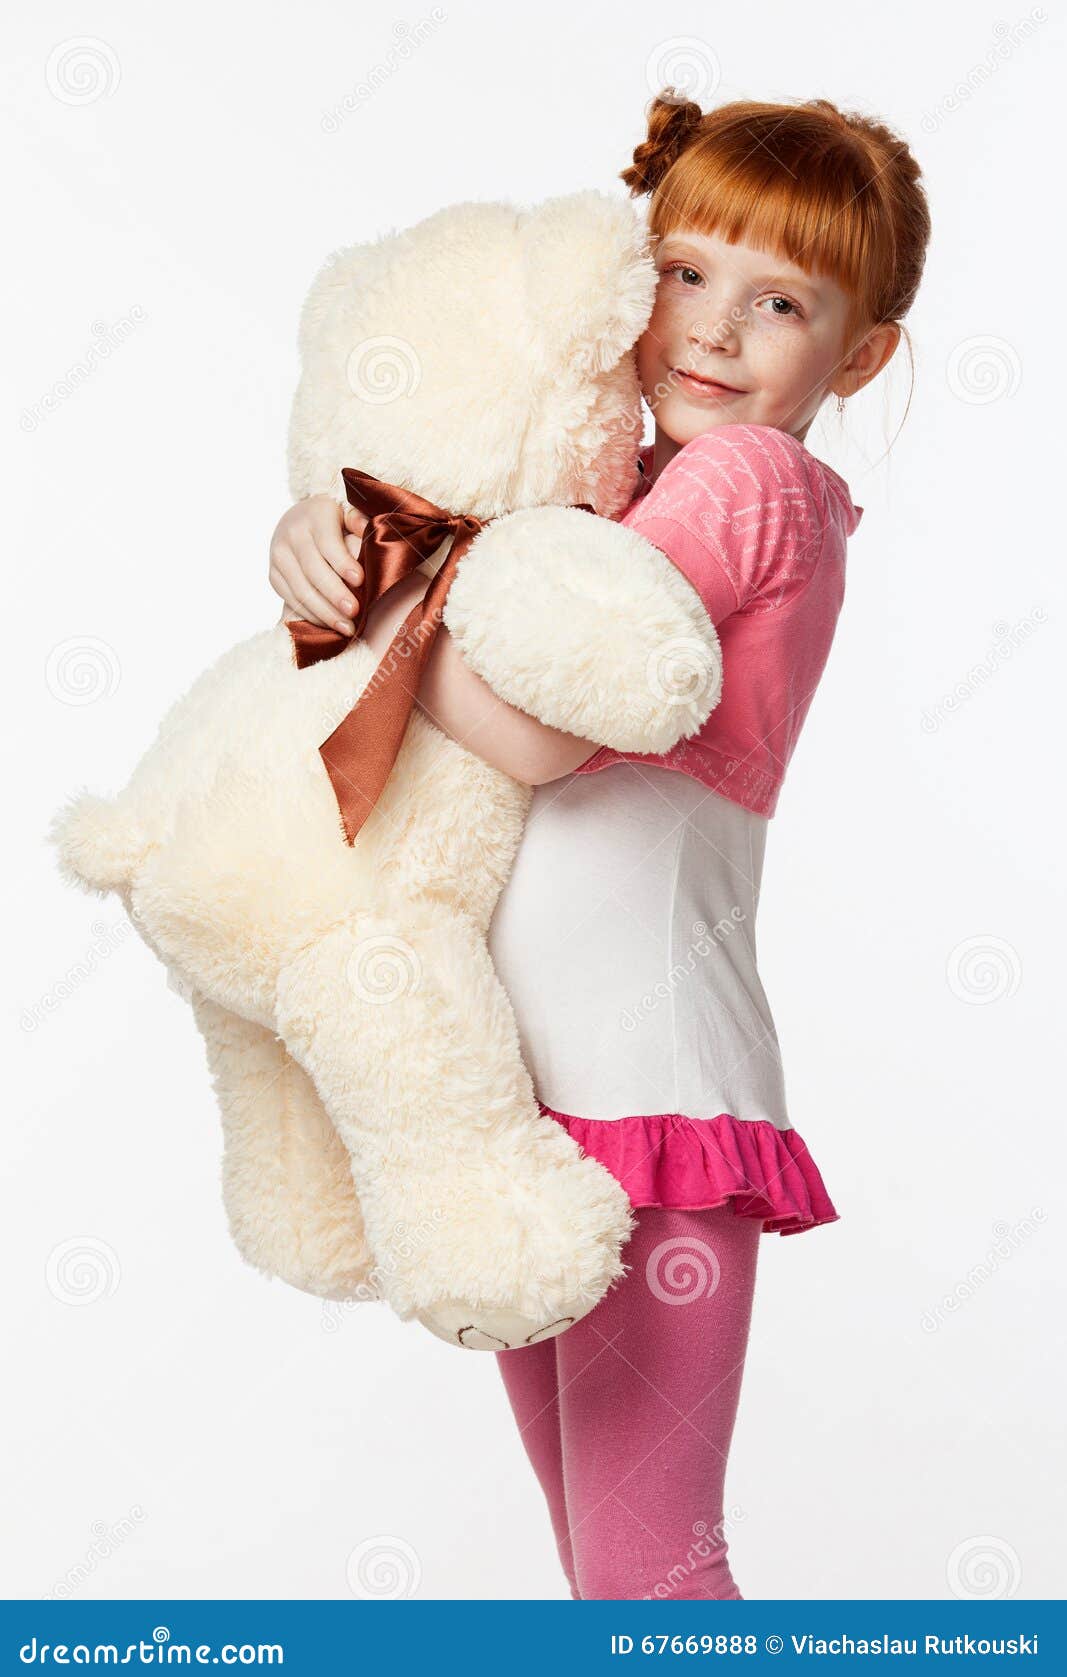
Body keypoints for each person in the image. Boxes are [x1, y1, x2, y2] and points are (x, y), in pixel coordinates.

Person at [268, 91, 931, 1600]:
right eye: (685, 274)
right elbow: (465, 575)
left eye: (781, 302)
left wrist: (380, 604)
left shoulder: (747, 481)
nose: (711, 329)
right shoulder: (623, 482)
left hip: (644, 1103)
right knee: (611, 1586)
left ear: (861, 352)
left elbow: (542, 726)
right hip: (553, 1113)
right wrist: (323, 542)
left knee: (648, 1590)